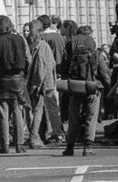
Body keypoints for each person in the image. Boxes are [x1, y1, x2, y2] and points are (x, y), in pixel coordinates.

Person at [62, 26, 110, 156]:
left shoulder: (71, 51)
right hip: (91, 87)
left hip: (74, 87)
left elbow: (63, 69)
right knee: (91, 117)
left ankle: (69, 147)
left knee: (73, 118)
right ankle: (88, 147)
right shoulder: (96, 53)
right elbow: (104, 73)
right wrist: (108, 86)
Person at [0, 16, 29, 154]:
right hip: (18, 79)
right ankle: (19, 144)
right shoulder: (20, 39)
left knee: (2, 114)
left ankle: (4, 145)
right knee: (18, 112)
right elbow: (28, 58)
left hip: (2, 80)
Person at [25, 20, 58, 149]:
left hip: (28, 82)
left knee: (30, 110)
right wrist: (45, 84)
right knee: (38, 110)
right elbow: (46, 66)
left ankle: (34, 136)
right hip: (38, 82)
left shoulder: (28, 44)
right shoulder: (43, 45)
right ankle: (34, 137)